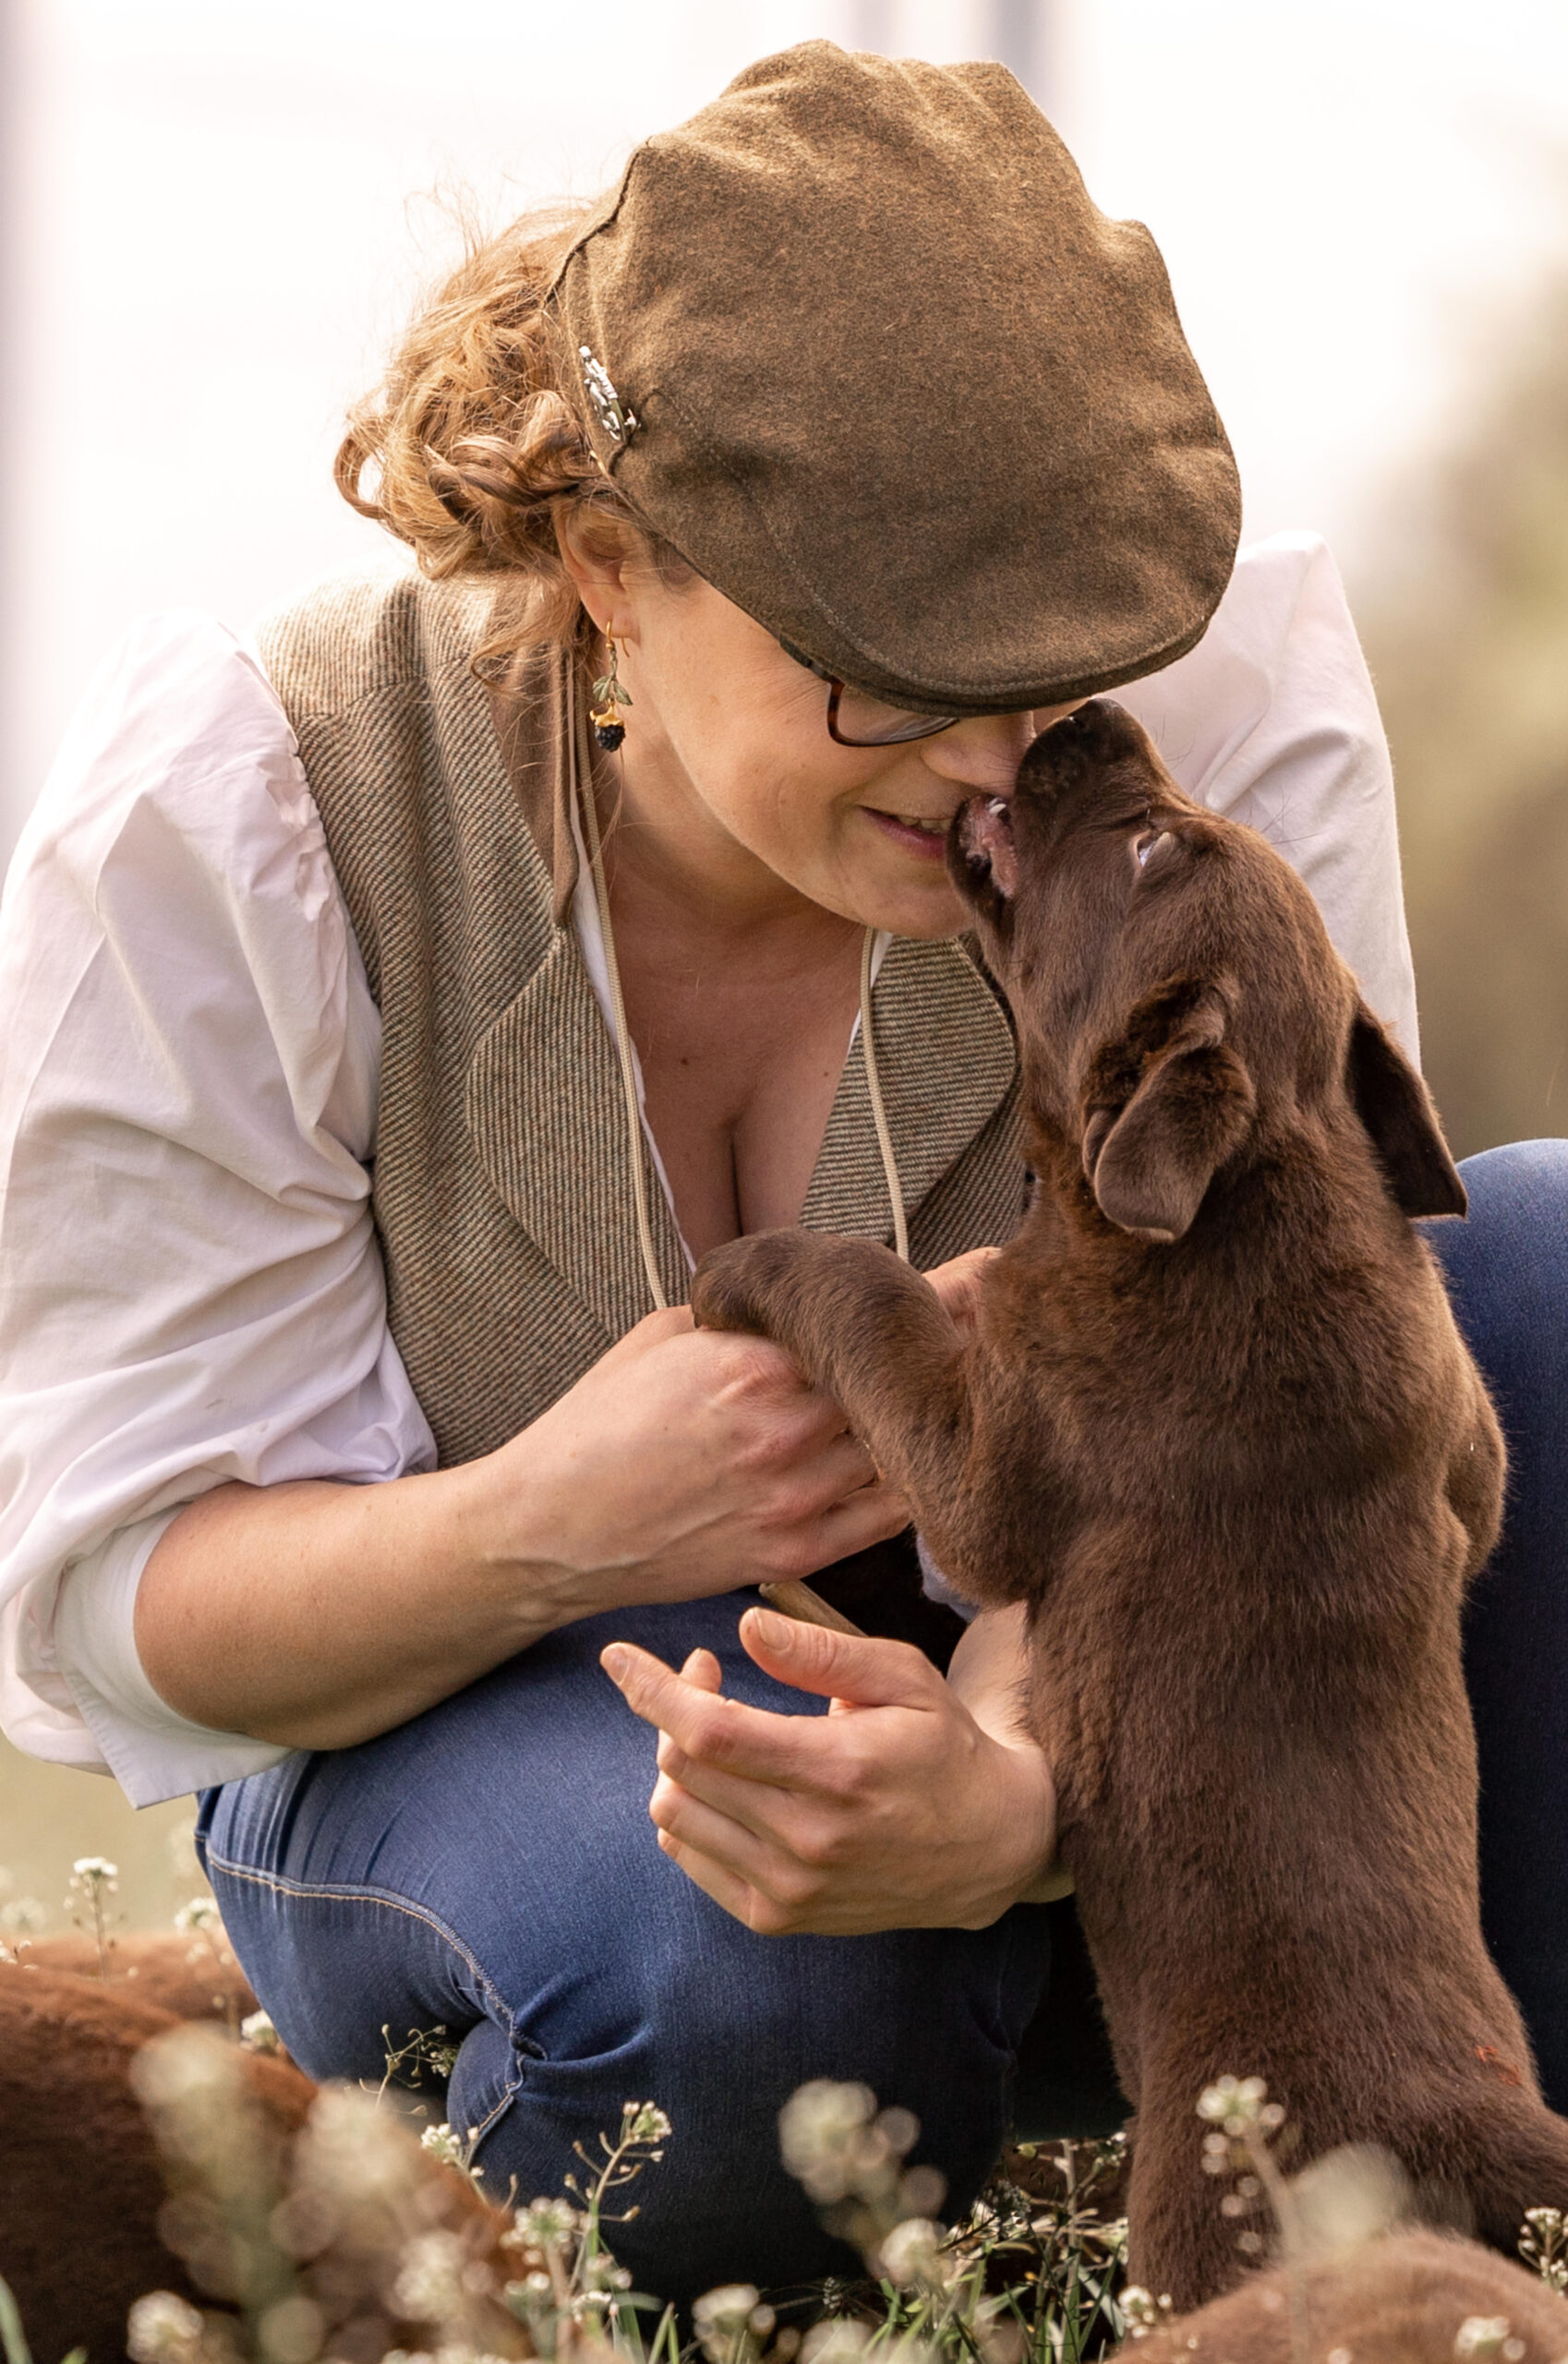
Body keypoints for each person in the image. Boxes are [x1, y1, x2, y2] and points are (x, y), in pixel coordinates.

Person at [1, 42, 1563, 2299]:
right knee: (745, 1975)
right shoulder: (250, 814)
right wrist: (559, 1515)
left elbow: (1282, 1362)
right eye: (885, 676)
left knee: (1531, 1270)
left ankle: (1414, 2176)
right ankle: (591, 2181)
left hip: (1139, 1672)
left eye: (1041, 663)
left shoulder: (1177, 720)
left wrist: (1029, 1772)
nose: (996, 755)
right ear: (615, 573)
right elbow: (134, 1591)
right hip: (460, 1718)